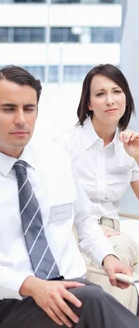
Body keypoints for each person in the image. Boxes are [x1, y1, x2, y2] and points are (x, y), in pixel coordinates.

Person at [0, 65, 139, 328]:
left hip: (73, 289)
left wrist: (108, 259)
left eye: (29, 109)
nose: (21, 119)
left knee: (96, 299)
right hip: (11, 300)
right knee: (94, 301)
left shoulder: (56, 158)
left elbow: (85, 221)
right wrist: (31, 286)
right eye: (9, 109)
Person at [55, 63, 139, 313]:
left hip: (113, 231)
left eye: (117, 91)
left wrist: (138, 157)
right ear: (89, 103)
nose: (110, 100)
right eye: (100, 94)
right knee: (122, 249)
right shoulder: (65, 144)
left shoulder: (130, 144)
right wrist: (96, 231)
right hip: (74, 231)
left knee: (123, 246)